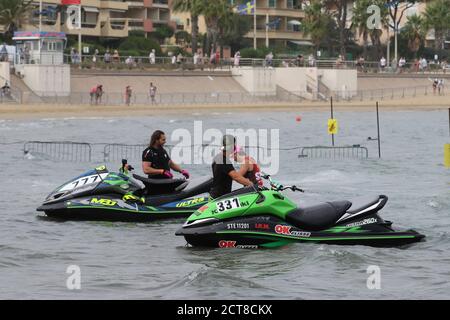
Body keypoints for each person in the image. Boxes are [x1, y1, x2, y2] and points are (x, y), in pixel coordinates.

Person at [209, 135, 254, 199]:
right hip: (220, 198)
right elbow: (236, 177)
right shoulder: (224, 161)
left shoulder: (217, 157)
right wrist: (251, 184)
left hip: (215, 195)